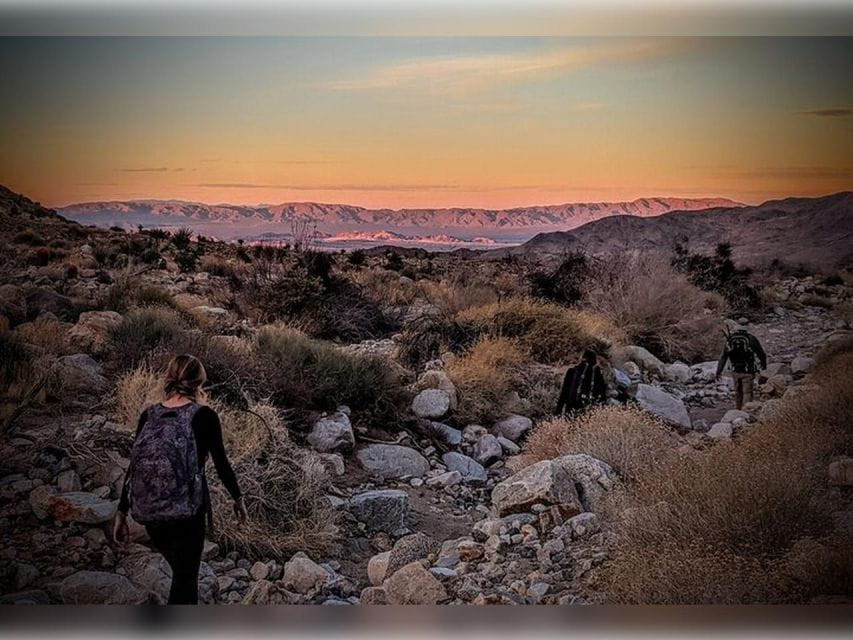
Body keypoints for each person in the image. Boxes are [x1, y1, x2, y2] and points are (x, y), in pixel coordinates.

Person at [113, 354, 247, 604]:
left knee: (181, 574)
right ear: (200, 382)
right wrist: (238, 498)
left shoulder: (149, 415)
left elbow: (134, 466)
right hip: (187, 513)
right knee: (186, 582)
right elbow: (221, 465)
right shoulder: (204, 416)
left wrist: (122, 512)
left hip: (150, 514)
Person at [715, 322, 767, 410]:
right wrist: (763, 365)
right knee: (747, 393)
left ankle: (738, 410)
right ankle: (746, 412)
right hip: (748, 371)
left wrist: (718, 371)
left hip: (735, 371)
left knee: (738, 392)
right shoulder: (751, 339)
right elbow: (761, 353)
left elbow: (724, 356)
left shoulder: (731, 340)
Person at [555, 348, 607, 415]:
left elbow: (564, 393)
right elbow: (602, 395)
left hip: (571, 407)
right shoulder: (597, 373)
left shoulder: (572, 371)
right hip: (589, 410)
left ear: (581, 358)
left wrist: (558, 412)